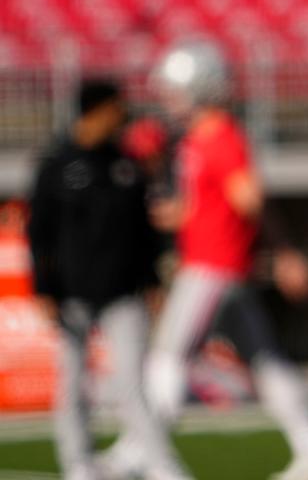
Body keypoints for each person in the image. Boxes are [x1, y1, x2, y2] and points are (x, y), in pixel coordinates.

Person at [144, 42, 308, 480]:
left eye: (176, 91)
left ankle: (148, 452)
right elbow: (208, 204)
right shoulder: (198, 139)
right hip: (218, 265)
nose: (170, 100)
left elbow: (249, 199)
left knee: (168, 355)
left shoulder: (220, 136)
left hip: (214, 266)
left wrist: (284, 252)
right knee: (266, 360)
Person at [26, 80, 190, 480]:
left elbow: (144, 231)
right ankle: (78, 463)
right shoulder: (57, 164)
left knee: (132, 385)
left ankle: (160, 465)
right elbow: (40, 232)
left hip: (123, 293)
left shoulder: (125, 163)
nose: (123, 117)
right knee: (74, 386)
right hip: (73, 295)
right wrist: (45, 289)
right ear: (97, 110)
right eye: (116, 108)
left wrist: (152, 281)